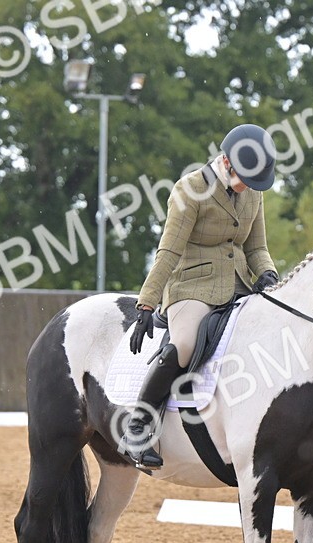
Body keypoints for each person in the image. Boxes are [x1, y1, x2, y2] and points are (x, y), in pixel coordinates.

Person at [119, 124, 281, 470]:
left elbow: (257, 247)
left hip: (238, 284)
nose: (249, 187)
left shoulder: (253, 190)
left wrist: (267, 273)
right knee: (186, 344)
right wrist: (147, 302)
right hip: (191, 286)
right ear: (226, 162)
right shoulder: (190, 189)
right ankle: (138, 424)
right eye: (244, 179)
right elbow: (169, 252)